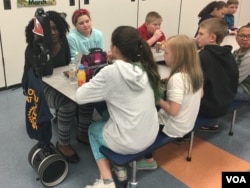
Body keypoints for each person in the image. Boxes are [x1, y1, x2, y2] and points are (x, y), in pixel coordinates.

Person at [76, 26, 162, 188]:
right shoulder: (143, 68)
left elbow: (80, 97)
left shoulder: (110, 72)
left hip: (129, 142)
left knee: (93, 129)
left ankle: (107, 181)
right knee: (110, 114)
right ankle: (119, 165)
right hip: (150, 134)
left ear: (114, 48)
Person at [132, 35, 204, 169]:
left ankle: (148, 160)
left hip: (172, 127)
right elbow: (200, 94)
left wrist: (156, 98)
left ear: (178, 56)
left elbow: (173, 111)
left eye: (166, 53)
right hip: (188, 124)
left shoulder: (177, 79)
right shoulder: (196, 72)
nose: (163, 55)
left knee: (139, 118)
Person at [22, 10, 81, 163]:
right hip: (41, 87)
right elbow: (43, 73)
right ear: (41, 31)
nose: (54, 32)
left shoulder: (64, 41)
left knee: (84, 95)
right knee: (67, 104)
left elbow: (68, 64)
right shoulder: (33, 49)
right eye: (49, 29)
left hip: (61, 81)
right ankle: (63, 144)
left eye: (56, 28)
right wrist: (43, 46)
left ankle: (83, 132)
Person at [67, 9, 105, 142]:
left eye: (87, 21)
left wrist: (91, 58)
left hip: (96, 68)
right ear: (75, 25)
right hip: (80, 69)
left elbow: (101, 54)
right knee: (81, 90)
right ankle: (82, 115)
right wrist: (87, 59)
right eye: (81, 23)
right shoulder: (71, 37)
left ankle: (99, 112)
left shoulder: (98, 34)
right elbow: (74, 57)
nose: (85, 25)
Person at [195, 18, 239, 132]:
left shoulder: (203, 56)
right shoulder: (228, 54)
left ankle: (182, 133)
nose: (197, 37)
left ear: (212, 38)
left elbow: (194, 83)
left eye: (200, 34)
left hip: (209, 108)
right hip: (225, 103)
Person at [233, 23, 250, 101]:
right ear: (236, 38)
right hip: (238, 82)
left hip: (246, 89)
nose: (245, 39)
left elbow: (236, 79)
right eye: (242, 36)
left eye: (249, 36)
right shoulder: (236, 52)